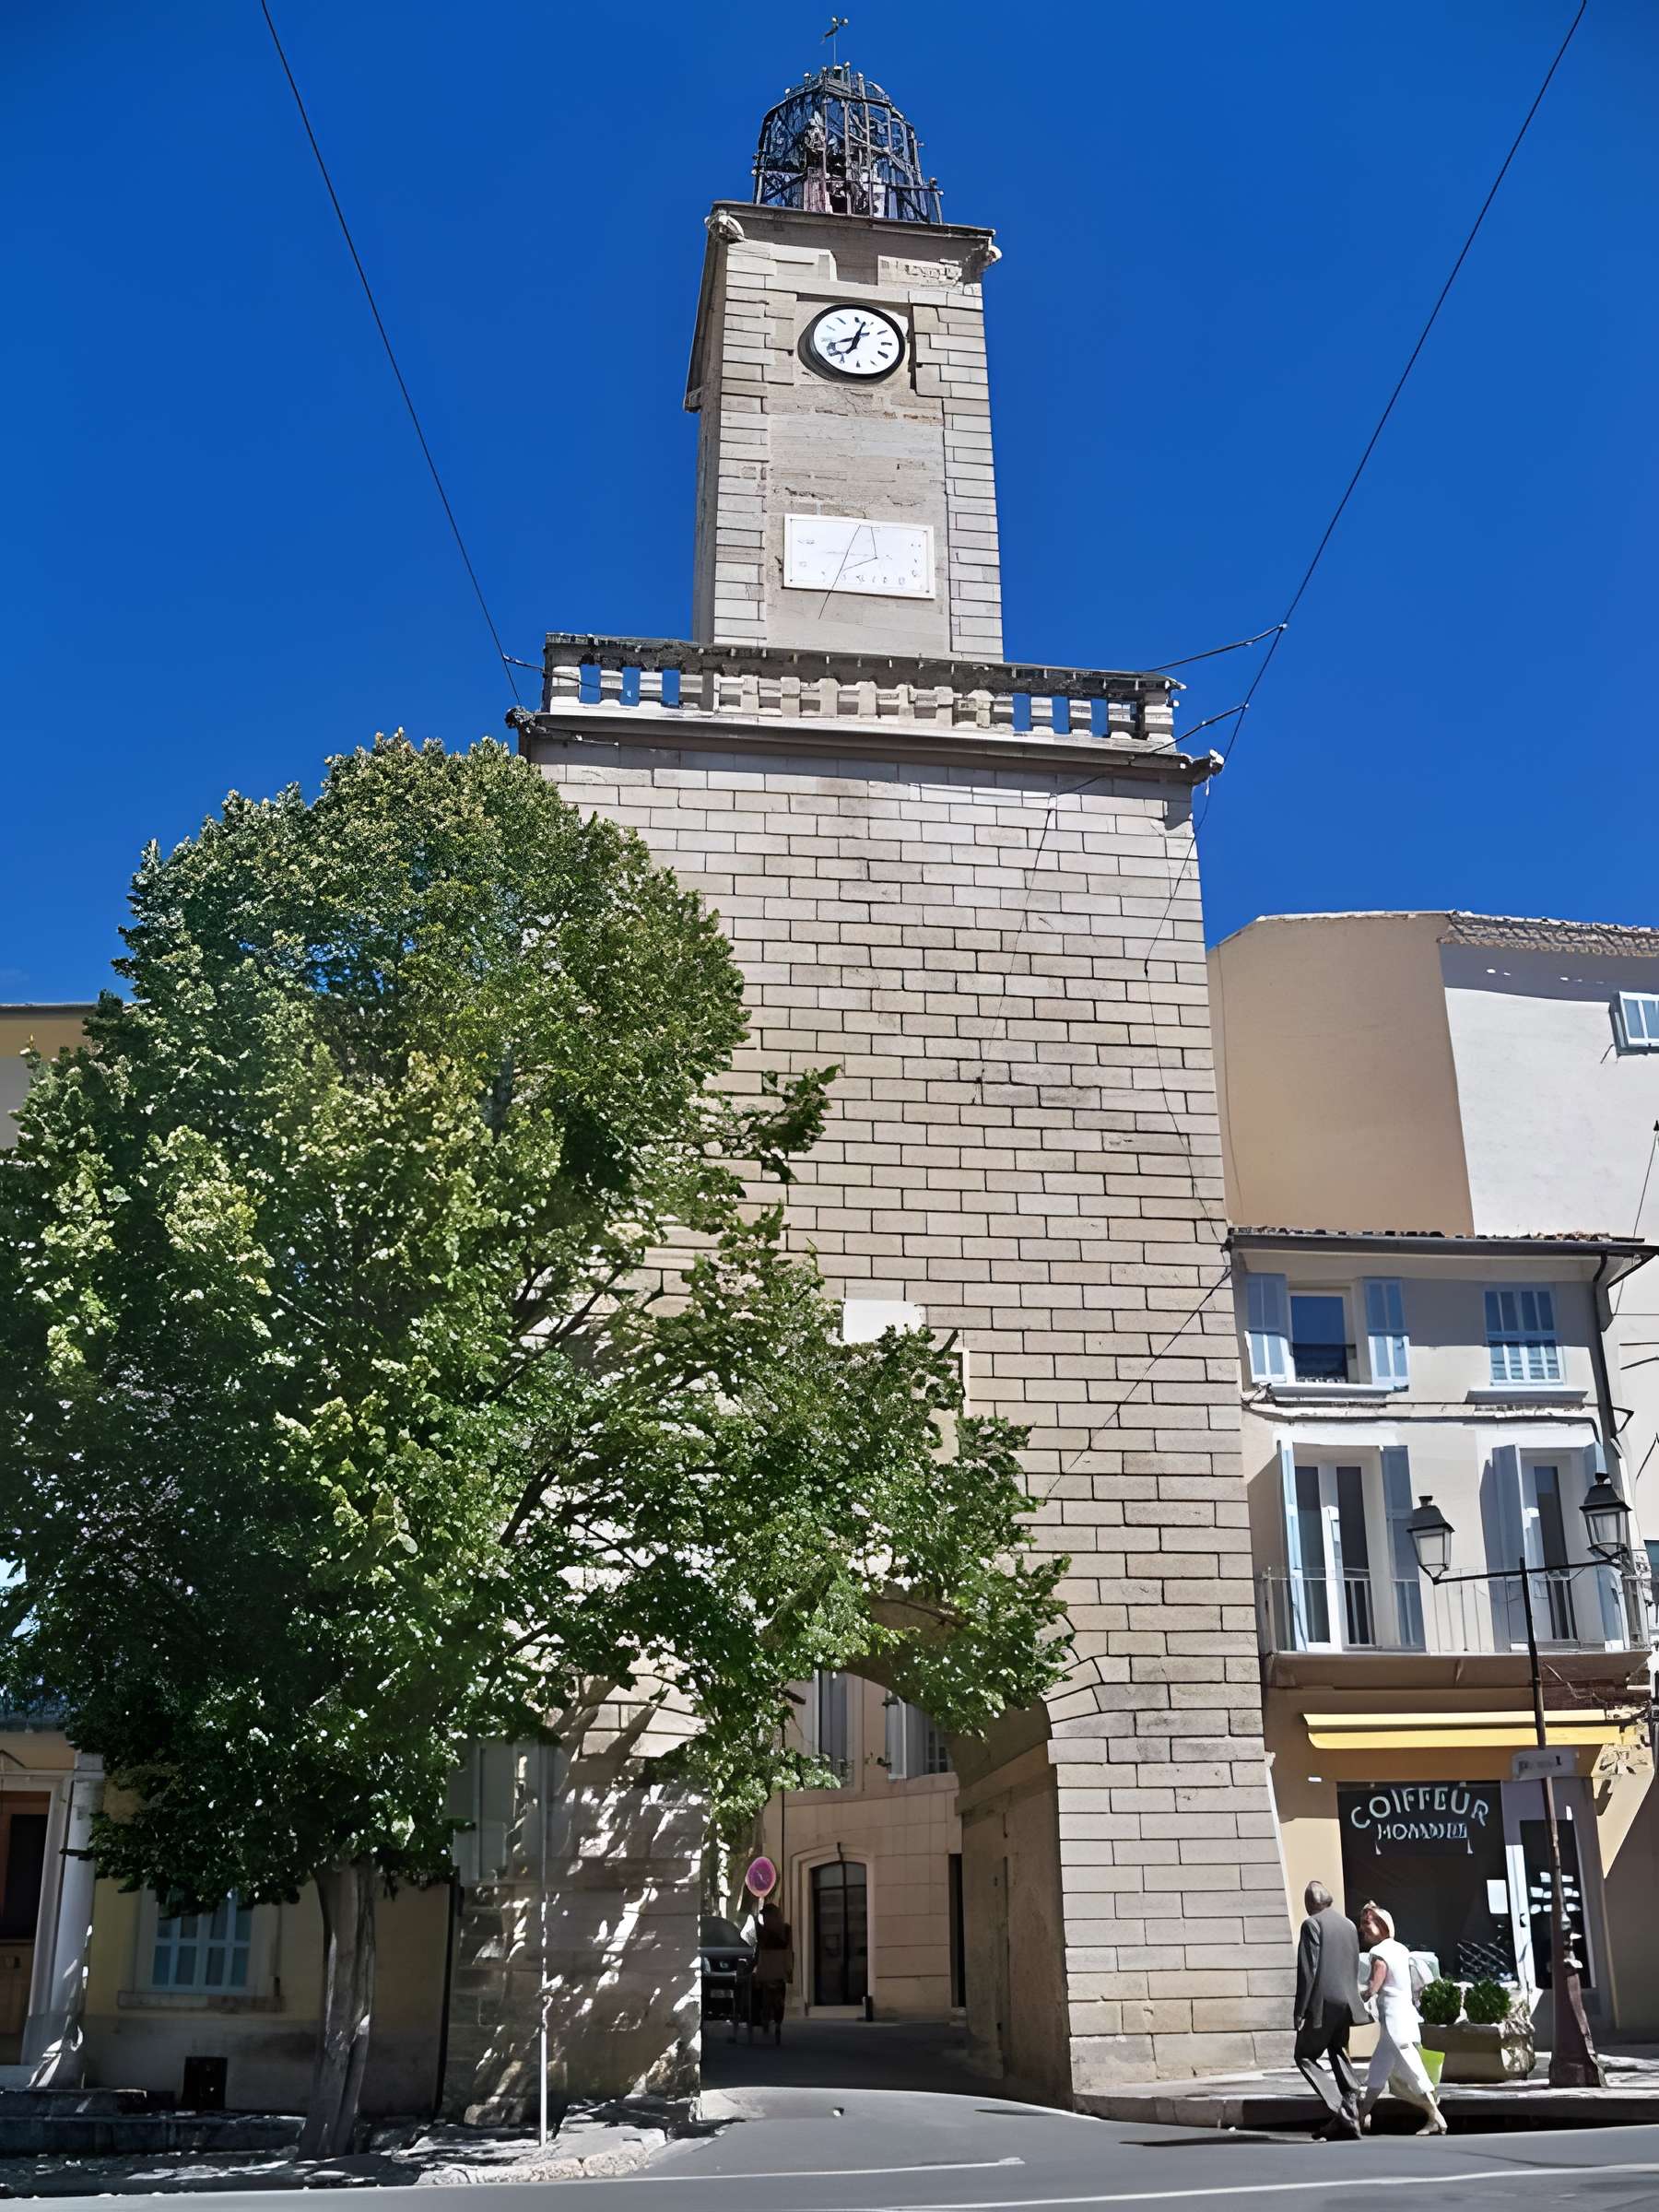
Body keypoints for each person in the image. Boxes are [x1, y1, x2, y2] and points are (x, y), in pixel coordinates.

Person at [1357, 1904, 1448, 2136]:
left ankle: (1436, 2117)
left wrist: (1357, 1994)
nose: (1363, 1931)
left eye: (1366, 1925)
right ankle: (1361, 2115)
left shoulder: (1379, 1953)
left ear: (1380, 1926)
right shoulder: (1400, 1949)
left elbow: (1373, 1987)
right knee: (1378, 2071)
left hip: (1393, 2022)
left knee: (1413, 2072)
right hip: (1402, 2018)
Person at [1293, 1879, 1368, 2139]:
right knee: (1338, 2050)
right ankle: (1351, 2101)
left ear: (1309, 1903)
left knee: (1304, 2055)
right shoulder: (1349, 1925)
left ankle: (1342, 2110)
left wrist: (1300, 2011)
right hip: (1347, 2002)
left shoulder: (1312, 1924)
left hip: (1323, 2004)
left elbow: (1308, 1970)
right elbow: (1353, 1964)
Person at [749, 1900, 794, 2046]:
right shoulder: (786, 1929)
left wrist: (752, 1968)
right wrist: (789, 1970)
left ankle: (765, 2020)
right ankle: (777, 2024)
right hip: (779, 1970)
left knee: (765, 1997)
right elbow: (789, 1951)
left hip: (767, 1969)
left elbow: (759, 1950)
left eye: (766, 1916)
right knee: (779, 1998)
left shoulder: (763, 1931)